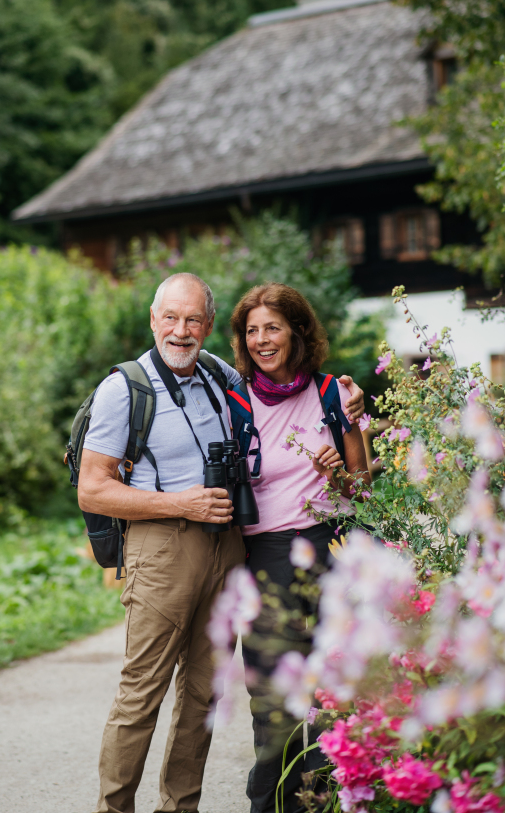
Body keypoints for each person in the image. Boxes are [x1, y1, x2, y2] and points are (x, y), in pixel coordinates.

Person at [78, 272, 365, 813]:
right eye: (170, 318)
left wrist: (352, 405)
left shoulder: (219, 377)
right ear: (152, 320)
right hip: (162, 548)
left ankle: (179, 807)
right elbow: (92, 490)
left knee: (203, 694)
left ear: (208, 326)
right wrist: (179, 503)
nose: (181, 331)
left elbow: (285, 381)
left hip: (228, 550)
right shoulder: (124, 388)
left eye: (192, 320)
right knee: (143, 692)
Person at [229, 282, 371, 813]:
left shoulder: (335, 393)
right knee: (271, 700)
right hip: (265, 554)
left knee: (333, 692)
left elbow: (363, 491)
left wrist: (338, 475)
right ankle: (268, 804)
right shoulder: (234, 399)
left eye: (274, 327)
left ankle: (326, 802)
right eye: (253, 330)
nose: (263, 340)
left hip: (330, 546)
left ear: (298, 332)